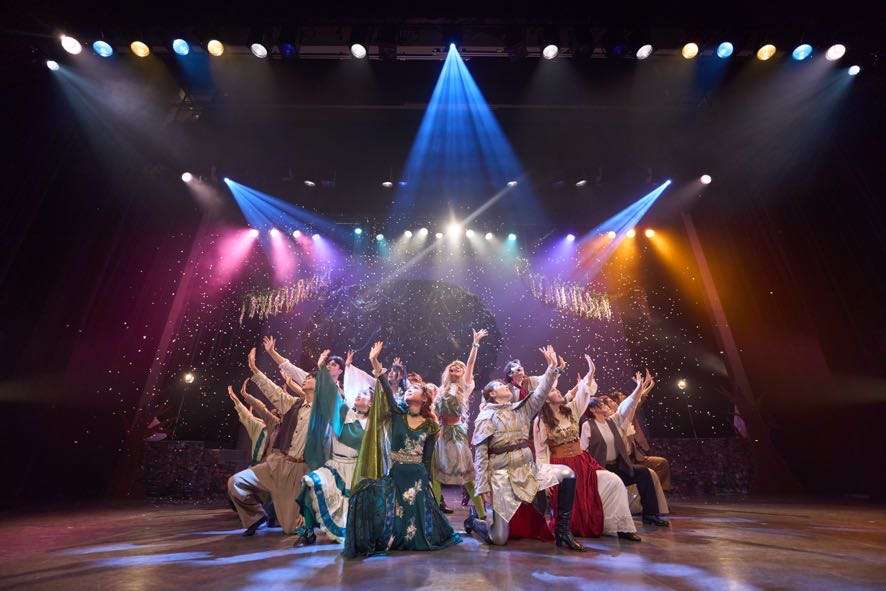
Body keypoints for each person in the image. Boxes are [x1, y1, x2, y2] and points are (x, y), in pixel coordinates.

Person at [343, 341, 460, 558]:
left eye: (414, 389)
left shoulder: (431, 425)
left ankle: (413, 539)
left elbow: (427, 458)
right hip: (396, 472)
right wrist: (374, 361)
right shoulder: (397, 414)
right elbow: (386, 388)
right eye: (408, 389)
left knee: (415, 514)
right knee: (386, 506)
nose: (409, 391)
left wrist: (426, 479)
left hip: (417, 475)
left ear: (424, 398)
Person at [465, 345, 586, 551]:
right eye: (500, 386)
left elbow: (540, 393)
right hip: (502, 476)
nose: (505, 386)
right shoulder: (485, 417)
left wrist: (552, 368)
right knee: (499, 538)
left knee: (567, 474)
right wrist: (482, 486)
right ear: (492, 394)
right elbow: (481, 455)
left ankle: (562, 532)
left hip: (528, 470)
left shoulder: (520, 409)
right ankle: (475, 522)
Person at [532, 357, 640, 541]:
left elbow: (583, 394)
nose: (558, 391)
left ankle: (621, 526)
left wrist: (590, 373)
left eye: (557, 389)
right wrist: (545, 478)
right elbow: (541, 451)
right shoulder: (541, 421)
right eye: (552, 390)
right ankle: (568, 530)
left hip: (582, 461)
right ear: (545, 398)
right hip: (562, 466)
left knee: (614, 482)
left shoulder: (570, 410)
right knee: (573, 500)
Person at [226, 346, 316, 536]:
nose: (306, 379)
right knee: (236, 482)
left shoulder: (324, 411)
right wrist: (255, 370)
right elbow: (274, 393)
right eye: (306, 377)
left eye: (310, 378)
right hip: (276, 464)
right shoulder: (294, 404)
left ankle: (308, 518)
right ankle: (256, 517)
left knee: (291, 528)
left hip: (297, 471)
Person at [294, 349, 372, 546]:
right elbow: (331, 397)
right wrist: (322, 369)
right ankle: (307, 532)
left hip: (355, 470)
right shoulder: (345, 412)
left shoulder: (374, 425)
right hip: (335, 464)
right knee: (310, 485)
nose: (359, 396)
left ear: (372, 403)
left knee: (348, 508)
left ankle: (349, 533)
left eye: (364, 394)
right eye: (358, 393)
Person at [580, 374, 669, 527]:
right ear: (594, 409)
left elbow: (627, 405)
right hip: (602, 469)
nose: (606, 406)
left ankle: (650, 515)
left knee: (644, 473)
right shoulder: (588, 425)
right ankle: (617, 522)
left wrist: (639, 387)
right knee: (615, 482)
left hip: (618, 467)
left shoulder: (613, 421)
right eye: (601, 404)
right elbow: (583, 450)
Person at [432, 328, 488, 517]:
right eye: (452, 368)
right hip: (441, 432)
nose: (455, 370)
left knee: (465, 473)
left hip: (456, 431)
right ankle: (436, 512)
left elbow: (471, 363)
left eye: (458, 368)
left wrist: (475, 343)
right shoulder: (441, 389)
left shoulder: (465, 386)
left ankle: (481, 513)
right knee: (437, 472)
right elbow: (434, 409)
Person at [611, 378, 672, 492]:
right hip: (627, 459)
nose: (624, 396)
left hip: (637, 452)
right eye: (621, 396)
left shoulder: (629, 410)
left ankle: (657, 492)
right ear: (616, 401)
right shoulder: (616, 417)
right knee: (646, 473)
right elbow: (636, 399)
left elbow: (638, 398)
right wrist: (641, 385)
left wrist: (647, 385)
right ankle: (649, 491)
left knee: (661, 463)